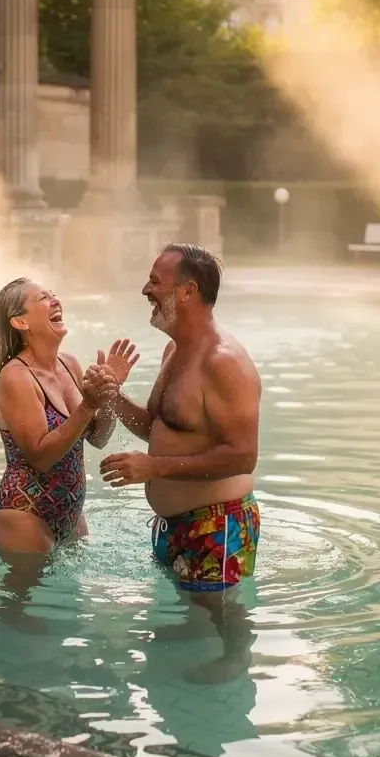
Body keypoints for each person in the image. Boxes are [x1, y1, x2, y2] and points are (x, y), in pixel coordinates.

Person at [101, 245, 261, 592]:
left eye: (155, 282)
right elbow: (159, 428)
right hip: (173, 527)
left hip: (217, 526)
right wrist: (111, 394)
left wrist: (154, 468)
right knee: (176, 639)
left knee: (213, 636)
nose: (146, 291)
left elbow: (243, 457)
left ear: (188, 291)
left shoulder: (223, 361)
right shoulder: (174, 350)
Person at [0, 278, 138, 555]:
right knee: (20, 600)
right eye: (43, 298)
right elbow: (41, 457)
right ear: (21, 322)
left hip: (70, 514)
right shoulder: (17, 377)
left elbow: (98, 438)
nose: (56, 301)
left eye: (54, 295)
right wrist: (87, 405)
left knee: (71, 598)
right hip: (23, 515)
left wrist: (106, 394)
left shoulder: (68, 364)